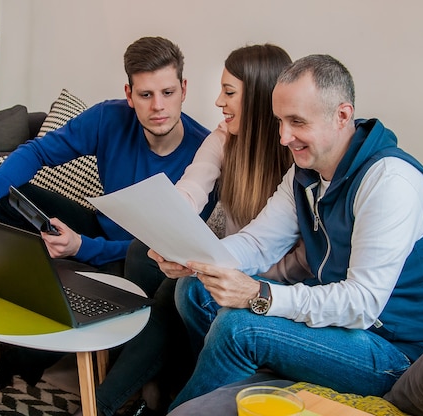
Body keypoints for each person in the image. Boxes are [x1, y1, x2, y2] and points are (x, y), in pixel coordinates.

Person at [155, 54, 423, 411]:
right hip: (342, 327)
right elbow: (258, 242)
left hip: (393, 351)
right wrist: (194, 258)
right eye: (280, 121)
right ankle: (223, 387)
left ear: (342, 116)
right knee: (193, 289)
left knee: (240, 327)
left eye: (297, 122)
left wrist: (259, 294)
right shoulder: (306, 171)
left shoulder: (389, 182)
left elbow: (361, 304)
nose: (284, 137)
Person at [0, 36, 216, 416]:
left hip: (146, 259)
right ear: (129, 93)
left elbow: (166, 250)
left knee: (137, 261)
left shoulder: (204, 156)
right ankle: (1, 300)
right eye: (146, 94)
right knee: (8, 196)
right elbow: (35, 151)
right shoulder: (109, 117)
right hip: (102, 229)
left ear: (184, 90)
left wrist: (82, 248)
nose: (158, 106)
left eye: (167, 92)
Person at [88, 44, 297, 416]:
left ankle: (104, 405)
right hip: (227, 258)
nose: (218, 101)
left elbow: (278, 256)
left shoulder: (296, 161)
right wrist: (162, 232)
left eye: (229, 92)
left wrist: (203, 264)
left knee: (181, 288)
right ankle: (145, 386)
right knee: (142, 252)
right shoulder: (221, 140)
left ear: (260, 97)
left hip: (270, 280)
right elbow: (190, 189)